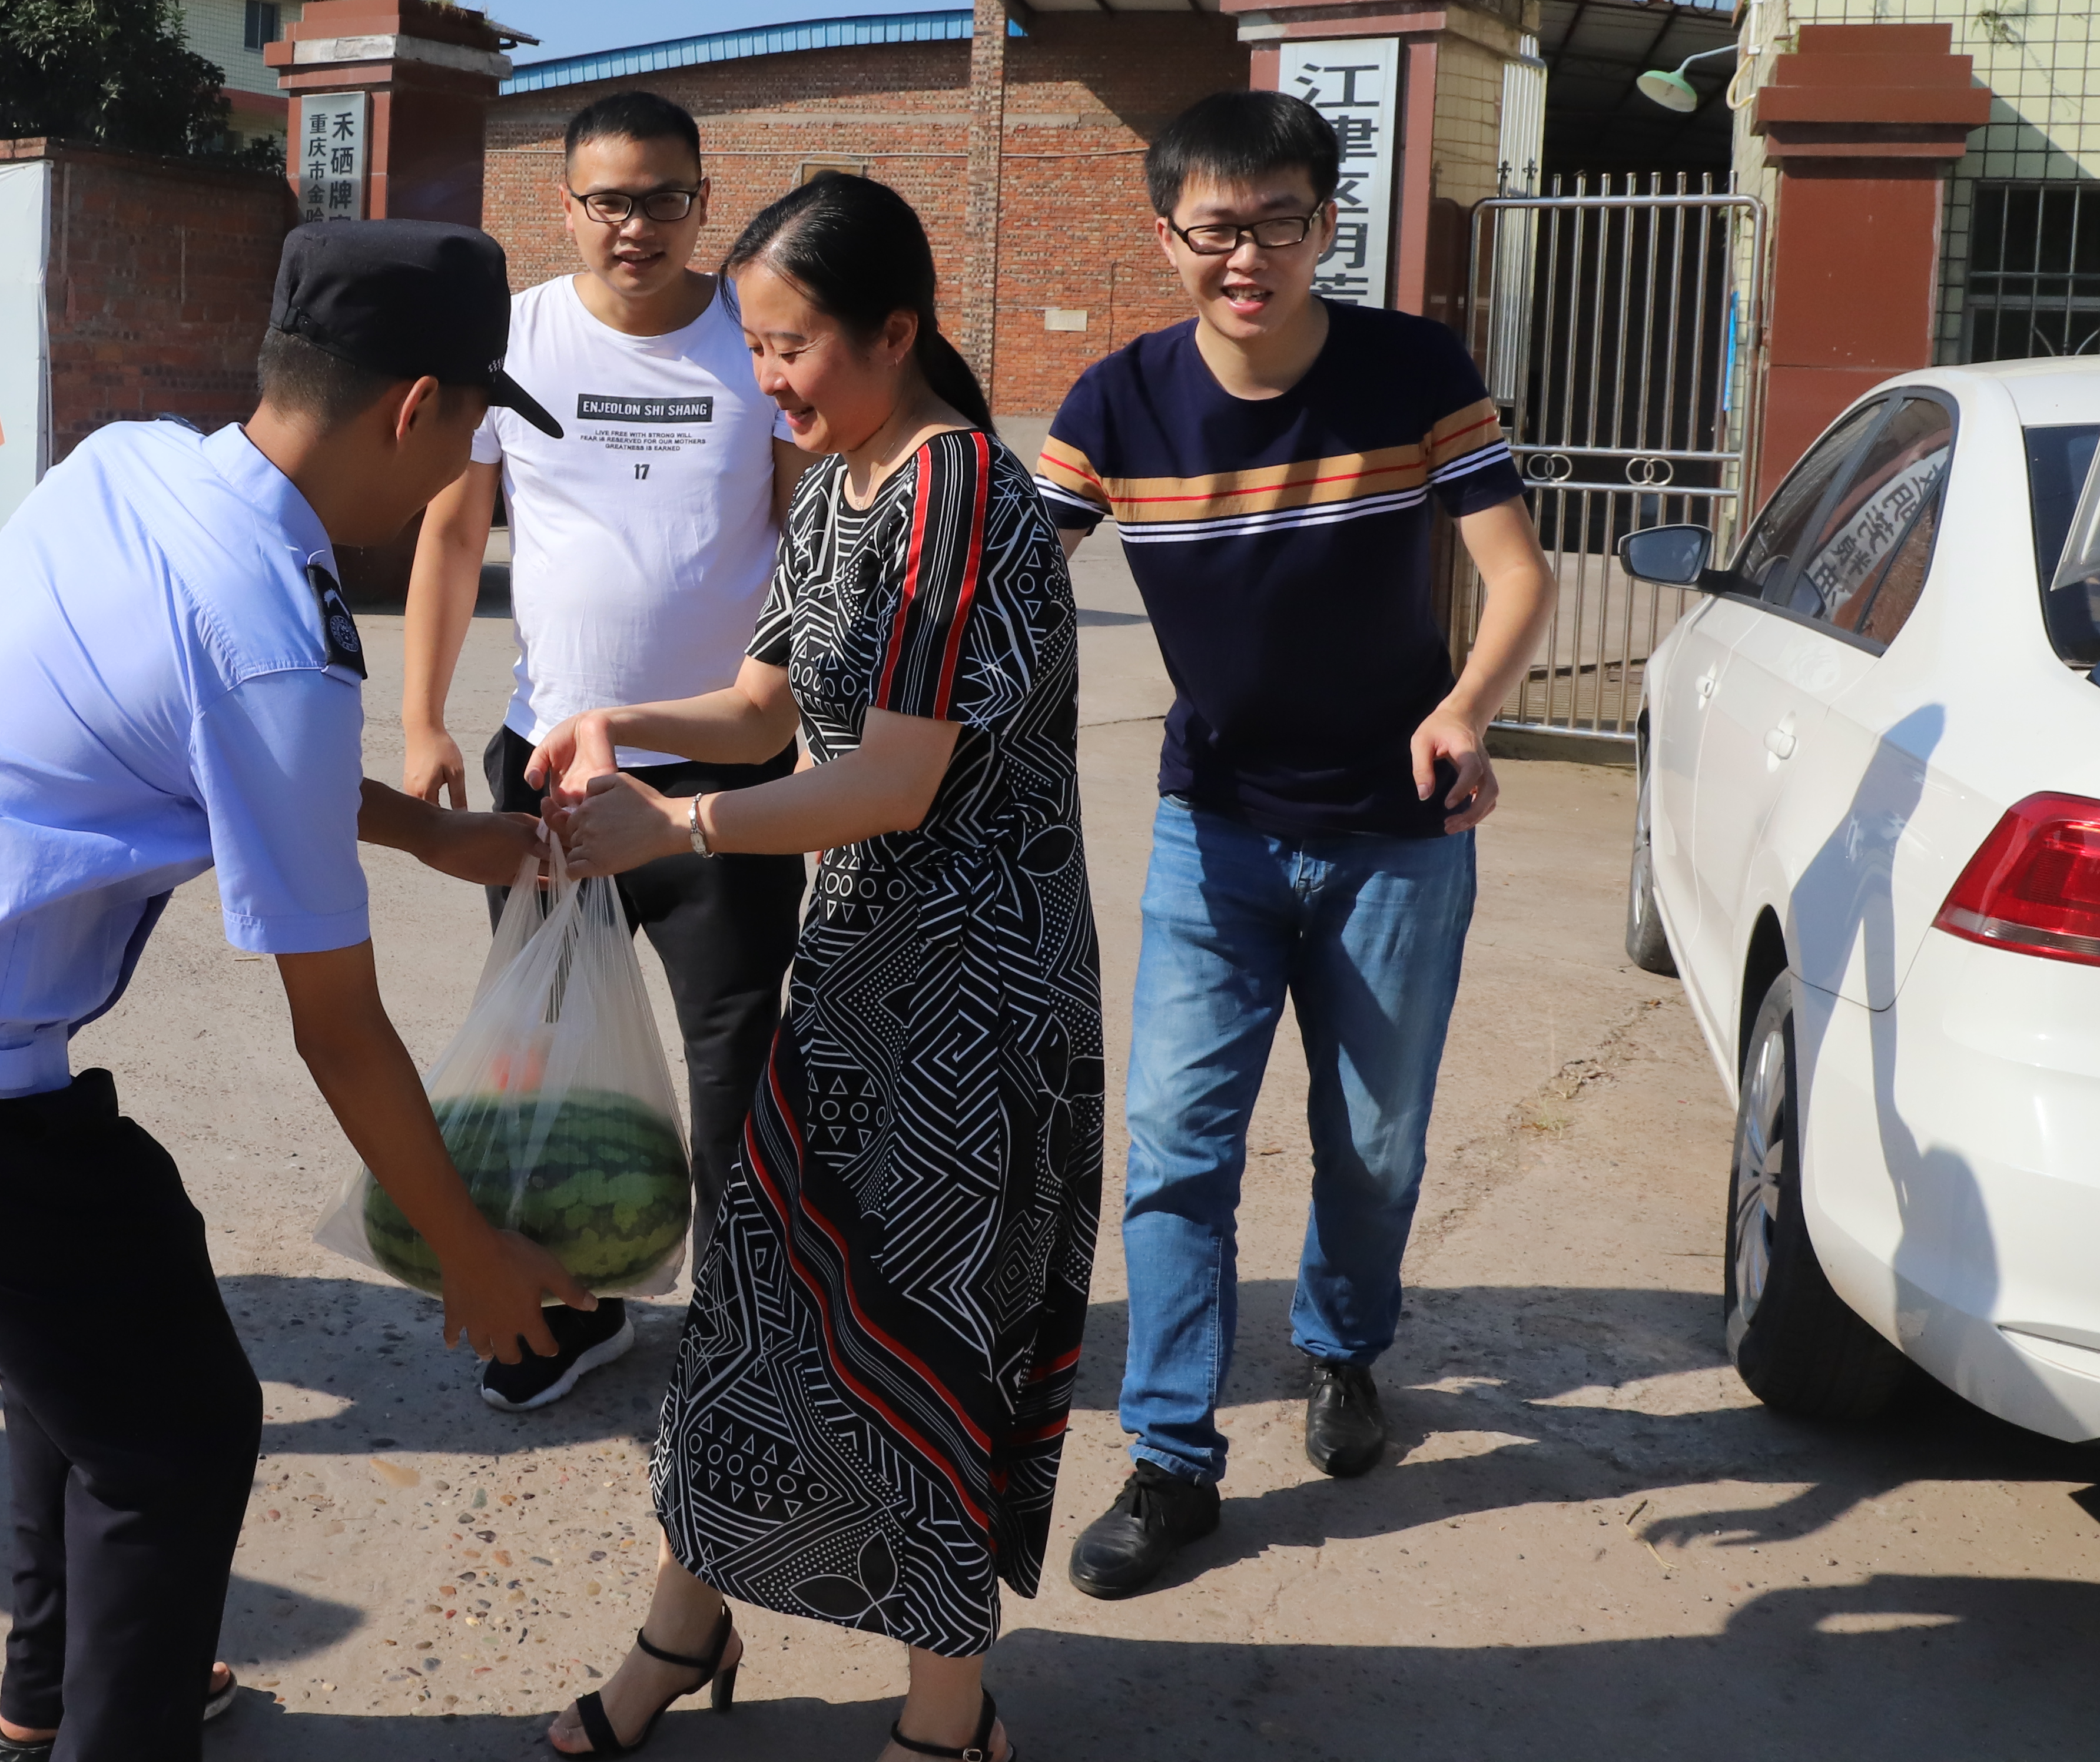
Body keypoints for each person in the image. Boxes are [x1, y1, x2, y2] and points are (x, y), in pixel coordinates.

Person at [0, 220, 589, 1762]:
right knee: (178, 1439)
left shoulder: (137, 464)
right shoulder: (279, 633)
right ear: (416, 409)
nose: (467, 470)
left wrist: (426, 832)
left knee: (96, 1325)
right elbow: (336, 1025)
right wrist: (468, 1253)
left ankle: (47, 1705)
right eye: (476, 427)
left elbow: (211, 734)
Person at [541, 173, 1096, 1762]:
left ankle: (947, 1715)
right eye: (760, 346)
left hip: (968, 1008)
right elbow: (765, 709)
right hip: (856, 979)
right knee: (757, 1314)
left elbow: (890, 784)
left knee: (921, 1339)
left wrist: (676, 827)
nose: (769, 378)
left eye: (793, 347)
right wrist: (617, 721)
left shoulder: (956, 495)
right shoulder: (846, 484)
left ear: (896, 332)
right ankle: (680, 1630)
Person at [1033, 89, 1552, 1600]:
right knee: (1175, 1151)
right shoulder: (1117, 402)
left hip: (1400, 836)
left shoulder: (1412, 371)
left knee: (1371, 1150)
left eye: (1278, 224)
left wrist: (1469, 705)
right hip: (1216, 833)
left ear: (1326, 224)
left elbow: (1513, 571)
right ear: (1168, 238)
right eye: (1214, 230)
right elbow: (1002, 567)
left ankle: (1341, 1351)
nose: (1245, 256)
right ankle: (1172, 1459)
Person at [401, 87, 808, 1412]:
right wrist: (419, 720)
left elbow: (808, 547)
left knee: (734, 1062)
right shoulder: (514, 341)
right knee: (548, 1068)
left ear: (705, 197)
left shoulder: (756, 345)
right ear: (565, 205)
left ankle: (749, 1326)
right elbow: (455, 537)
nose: (636, 226)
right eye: (609, 200)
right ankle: (577, 1312)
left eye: (665, 197)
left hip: (722, 774)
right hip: (551, 774)